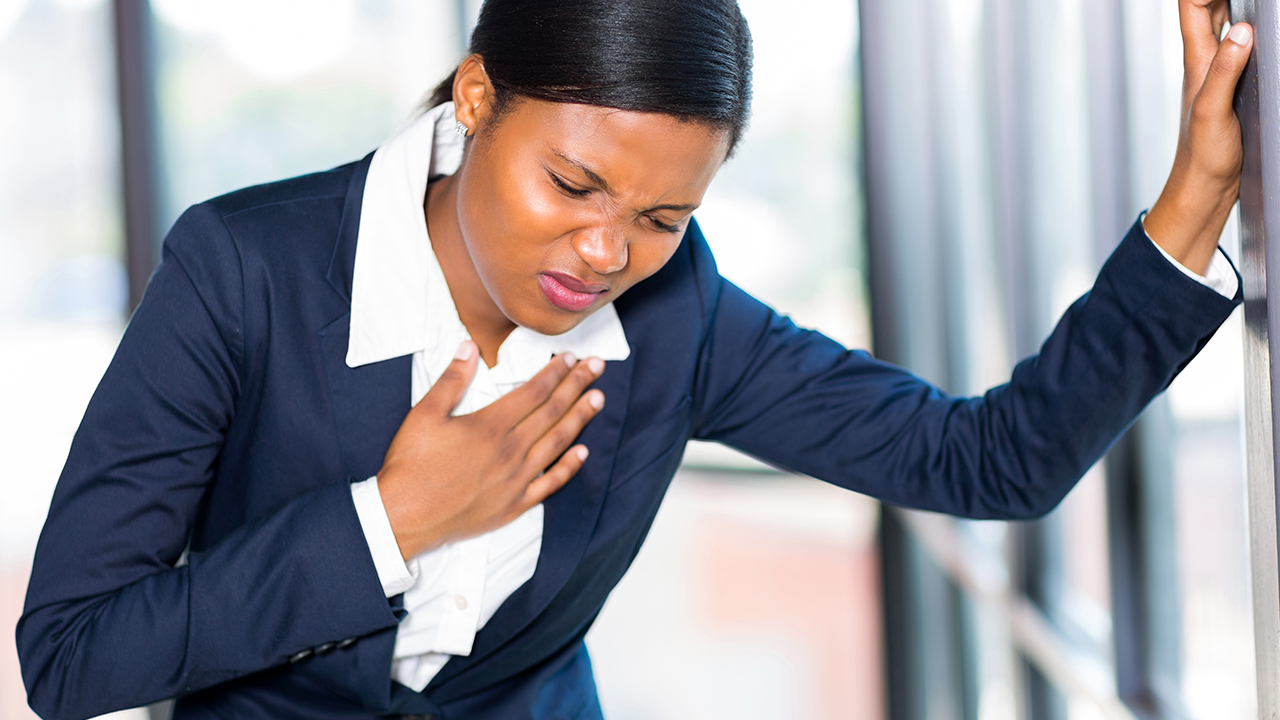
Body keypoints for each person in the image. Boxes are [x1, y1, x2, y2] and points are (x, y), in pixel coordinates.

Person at [16, 0, 1250, 718]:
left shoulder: (676, 316)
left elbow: (988, 461)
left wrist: (1191, 200)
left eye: (663, 216)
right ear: (476, 98)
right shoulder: (245, 270)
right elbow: (71, 655)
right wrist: (390, 521)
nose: (607, 252)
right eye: (571, 184)